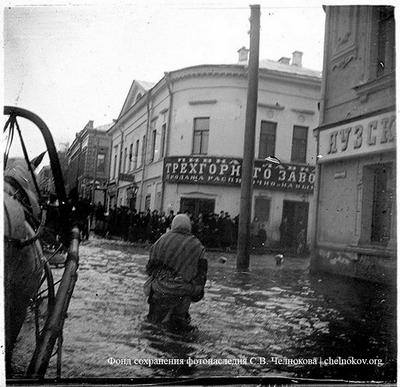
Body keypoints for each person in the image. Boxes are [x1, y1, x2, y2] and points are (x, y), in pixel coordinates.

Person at [144, 214, 207, 331]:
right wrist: (195, 291)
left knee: (152, 326)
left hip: (159, 290)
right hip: (182, 292)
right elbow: (202, 276)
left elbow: (149, 269)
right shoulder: (197, 246)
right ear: (189, 227)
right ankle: (180, 319)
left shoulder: (159, 242)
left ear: (173, 226)